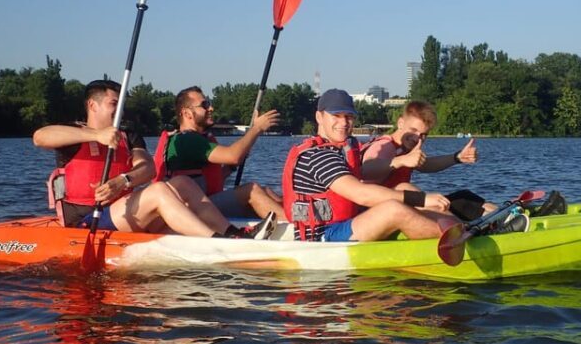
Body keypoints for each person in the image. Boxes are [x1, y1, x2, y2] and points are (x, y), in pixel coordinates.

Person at [33, 79, 275, 239]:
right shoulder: (74, 133)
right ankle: (216, 242)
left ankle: (232, 234)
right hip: (87, 220)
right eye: (113, 104)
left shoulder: (128, 134)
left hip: (122, 213)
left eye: (121, 104)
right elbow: (40, 137)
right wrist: (96, 135)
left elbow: (147, 168)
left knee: (182, 184)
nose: (119, 110)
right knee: (159, 191)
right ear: (92, 105)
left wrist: (124, 180)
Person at [281, 88, 462, 242]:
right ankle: (455, 239)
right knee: (394, 209)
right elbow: (361, 194)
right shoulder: (318, 155)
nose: (344, 122)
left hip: (348, 221)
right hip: (323, 237)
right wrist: (422, 199)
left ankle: (459, 227)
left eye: (349, 116)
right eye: (336, 115)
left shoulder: (342, 148)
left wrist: (455, 159)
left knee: (406, 192)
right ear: (319, 117)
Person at [154, 86, 286, 220]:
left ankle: (294, 219)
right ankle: (297, 231)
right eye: (204, 105)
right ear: (187, 113)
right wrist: (257, 128)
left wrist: (231, 168)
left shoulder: (194, 138)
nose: (211, 108)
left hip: (203, 203)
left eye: (209, 104)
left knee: (266, 192)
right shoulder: (188, 140)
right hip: (191, 211)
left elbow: (211, 179)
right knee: (251, 191)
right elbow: (233, 156)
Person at [360, 100, 498, 221]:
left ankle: (503, 215)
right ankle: (476, 227)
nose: (417, 138)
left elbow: (426, 165)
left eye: (423, 134)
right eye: (413, 130)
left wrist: (457, 157)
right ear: (400, 123)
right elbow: (366, 170)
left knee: (464, 197)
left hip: (398, 205)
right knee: (405, 188)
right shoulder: (385, 146)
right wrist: (401, 160)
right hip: (374, 214)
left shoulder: (406, 148)